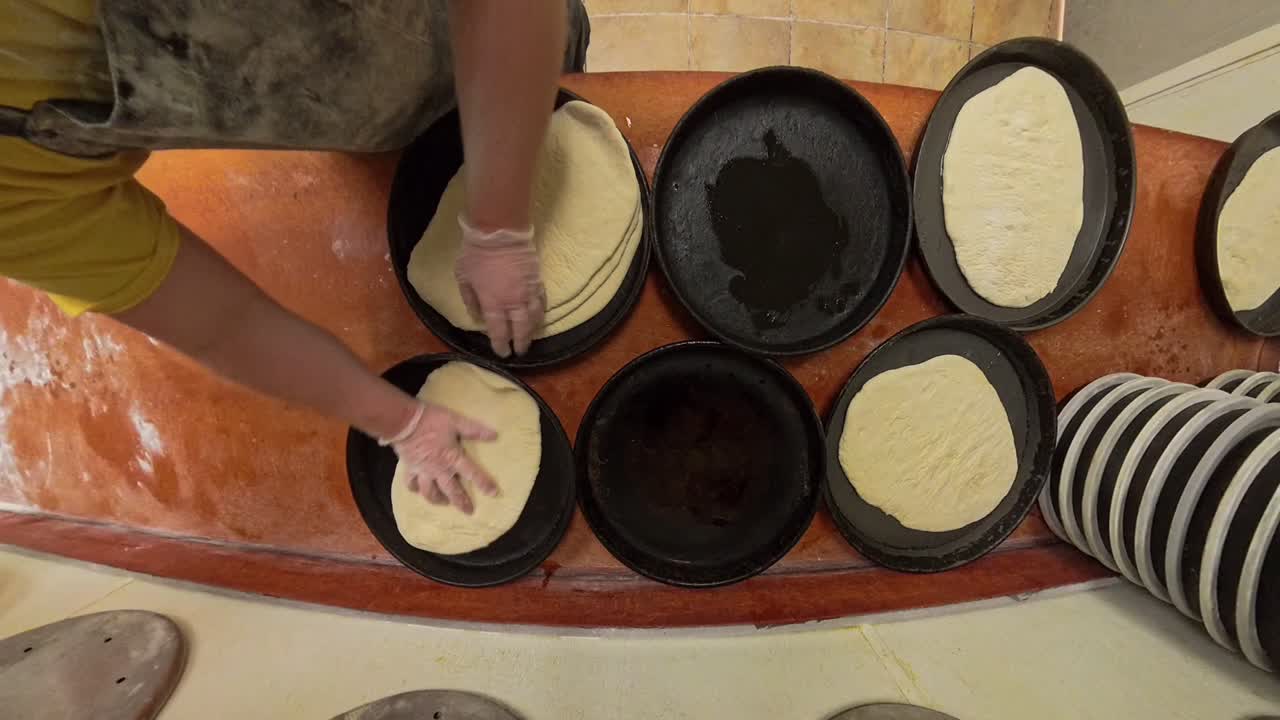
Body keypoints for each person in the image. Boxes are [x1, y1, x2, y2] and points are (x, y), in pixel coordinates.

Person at [0, 1, 589, 514]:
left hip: (485, 31)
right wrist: (401, 423)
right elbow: (221, 325)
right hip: (322, 104)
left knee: (556, 73)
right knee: (398, 124)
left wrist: (499, 224)